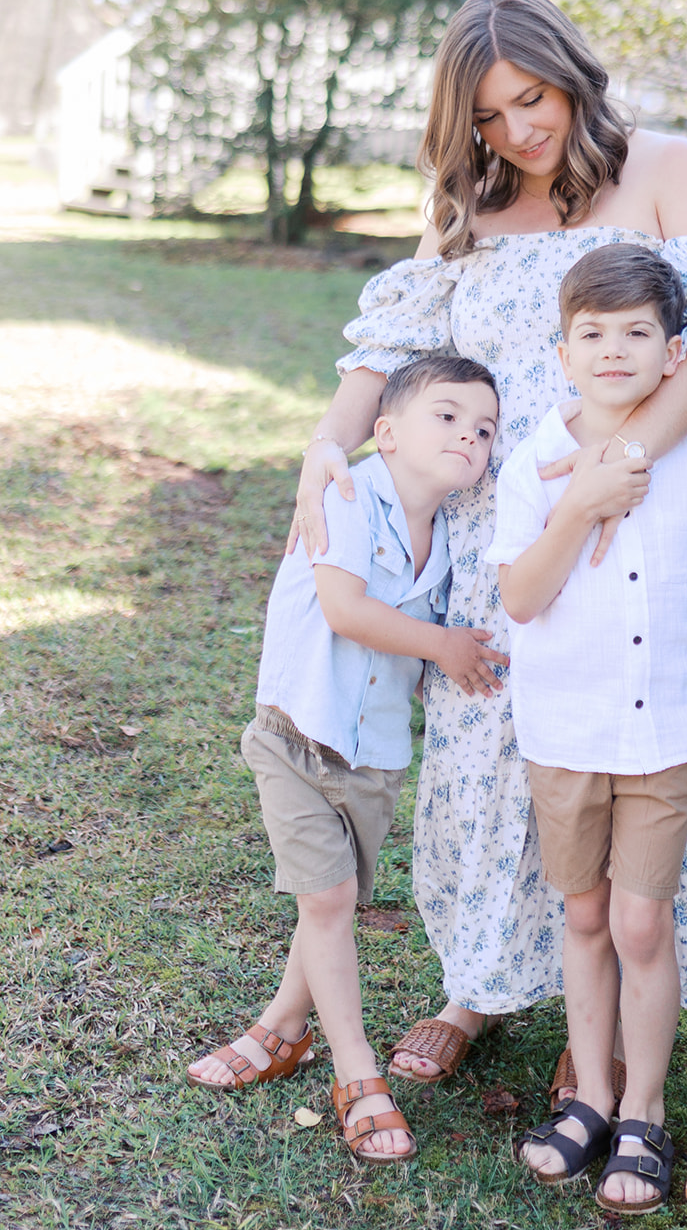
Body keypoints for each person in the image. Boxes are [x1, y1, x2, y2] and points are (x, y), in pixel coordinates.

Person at [292, 0, 687, 1099]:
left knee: (628, 754)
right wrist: (327, 443)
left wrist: (622, 472)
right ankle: (480, 983)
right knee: (497, 764)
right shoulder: (468, 206)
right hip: (499, 541)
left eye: (533, 99)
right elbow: (395, 346)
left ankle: (597, 1023)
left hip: (645, 525)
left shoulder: (669, 170)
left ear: (572, 73)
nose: (519, 131)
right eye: (490, 117)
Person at [187, 358, 503, 1165]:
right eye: (447, 416)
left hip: (374, 757)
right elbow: (344, 607)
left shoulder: (455, 541)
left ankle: (279, 1030)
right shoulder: (351, 492)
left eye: (484, 427)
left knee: (329, 903)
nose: (468, 434)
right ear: (386, 431)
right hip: (297, 734)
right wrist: (444, 645)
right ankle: (358, 1077)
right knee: (327, 901)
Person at [492, 244, 687, 1212]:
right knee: (585, 913)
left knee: (641, 918)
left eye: (637, 332)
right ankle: (589, 1094)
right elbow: (519, 594)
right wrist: (580, 504)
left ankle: (643, 1104)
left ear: (674, 353)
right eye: (591, 333)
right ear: (562, 351)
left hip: (668, 732)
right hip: (564, 733)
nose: (612, 349)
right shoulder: (534, 463)